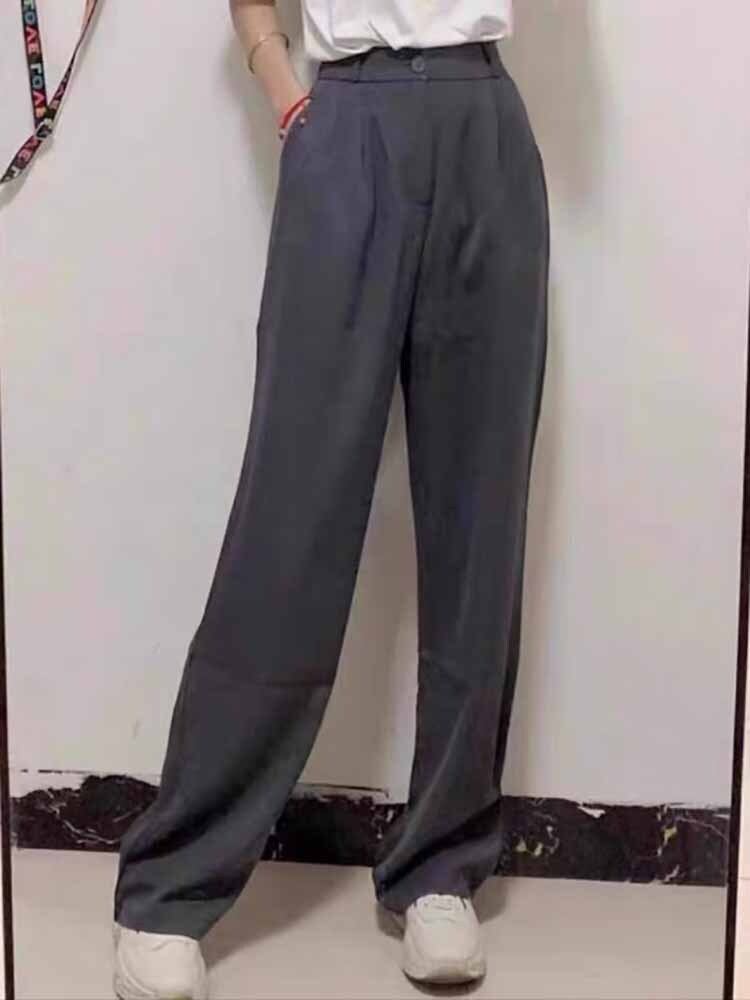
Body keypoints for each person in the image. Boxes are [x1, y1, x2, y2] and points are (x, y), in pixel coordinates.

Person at [111, 0, 549, 996]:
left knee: (479, 520)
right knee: (292, 516)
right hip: (346, 120)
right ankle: (173, 883)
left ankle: (441, 867)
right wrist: (284, 91)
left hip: (484, 122)